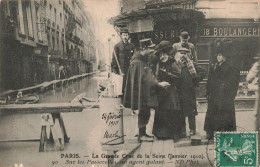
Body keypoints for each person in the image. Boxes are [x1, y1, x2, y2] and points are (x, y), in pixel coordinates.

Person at [123, 38, 170, 142]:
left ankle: (142, 132)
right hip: (143, 92)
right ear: (143, 49)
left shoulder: (140, 59)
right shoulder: (138, 62)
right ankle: (142, 134)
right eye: (150, 49)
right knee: (144, 111)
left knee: (144, 111)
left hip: (142, 91)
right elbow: (147, 78)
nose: (151, 51)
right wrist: (159, 84)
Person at [204, 50, 240, 139]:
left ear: (225, 57)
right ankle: (211, 132)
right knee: (212, 112)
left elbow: (234, 81)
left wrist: (229, 93)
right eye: (218, 55)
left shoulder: (230, 67)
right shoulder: (214, 66)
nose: (218, 57)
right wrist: (208, 91)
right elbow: (209, 80)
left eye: (220, 55)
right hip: (214, 94)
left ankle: (226, 133)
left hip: (225, 95)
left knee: (225, 113)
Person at [152, 41, 182, 139]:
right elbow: (156, 76)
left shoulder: (173, 63)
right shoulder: (158, 64)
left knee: (172, 111)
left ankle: (173, 134)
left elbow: (178, 76)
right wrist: (160, 82)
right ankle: (162, 134)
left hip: (172, 91)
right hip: (162, 92)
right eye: (161, 55)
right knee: (161, 112)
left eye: (164, 55)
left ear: (167, 54)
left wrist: (168, 75)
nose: (162, 57)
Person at [174, 48, 206, 136]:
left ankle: (192, 129)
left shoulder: (192, 64)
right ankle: (183, 130)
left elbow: (203, 71)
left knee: (191, 112)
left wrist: (195, 81)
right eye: (180, 53)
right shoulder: (176, 65)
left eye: (184, 53)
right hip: (179, 91)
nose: (182, 55)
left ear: (188, 55)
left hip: (189, 92)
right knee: (181, 112)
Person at [111, 28, 135, 95]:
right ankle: (122, 101)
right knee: (121, 87)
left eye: (126, 35)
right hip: (120, 69)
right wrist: (115, 70)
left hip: (130, 69)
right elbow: (114, 59)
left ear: (128, 36)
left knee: (130, 86)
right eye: (123, 35)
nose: (125, 37)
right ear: (121, 36)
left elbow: (134, 57)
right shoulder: (117, 46)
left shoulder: (132, 46)